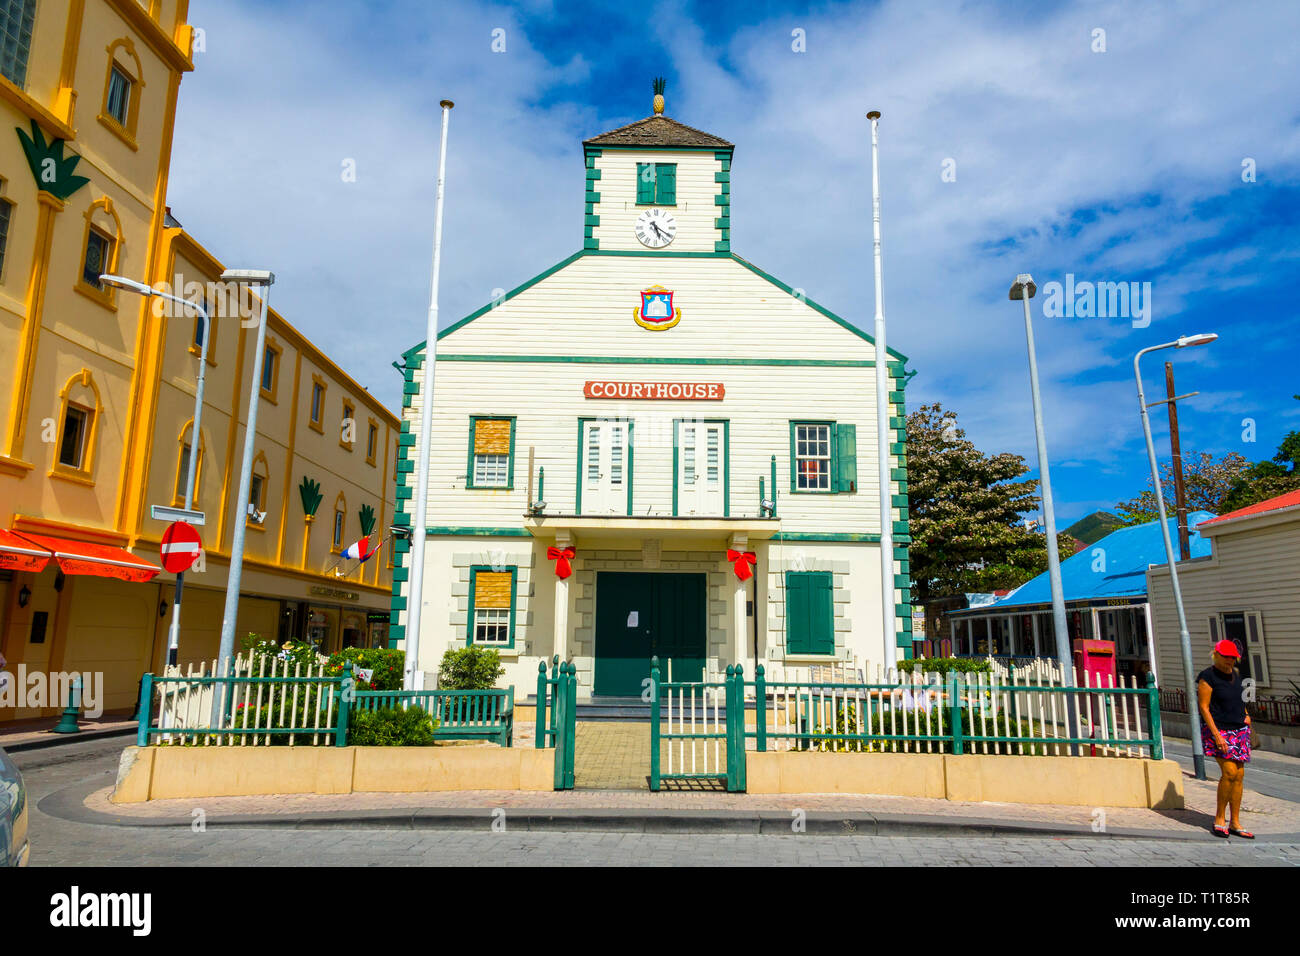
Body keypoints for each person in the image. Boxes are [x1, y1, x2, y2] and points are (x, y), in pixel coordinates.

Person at [1196, 639, 1256, 838]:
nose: (1230, 660)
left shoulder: (1236, 675)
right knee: (1229, 772)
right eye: (1226, 656)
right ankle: (1219, 818)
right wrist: (1216, 735)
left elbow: (1238, 699)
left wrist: (1246, 713)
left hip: (1239, 728)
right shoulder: (1207, 676)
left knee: (1239, 775)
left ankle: (1235, 822)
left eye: (1233, 657)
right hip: (1218, 729)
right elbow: (1204, 707)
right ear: (1216, 655)